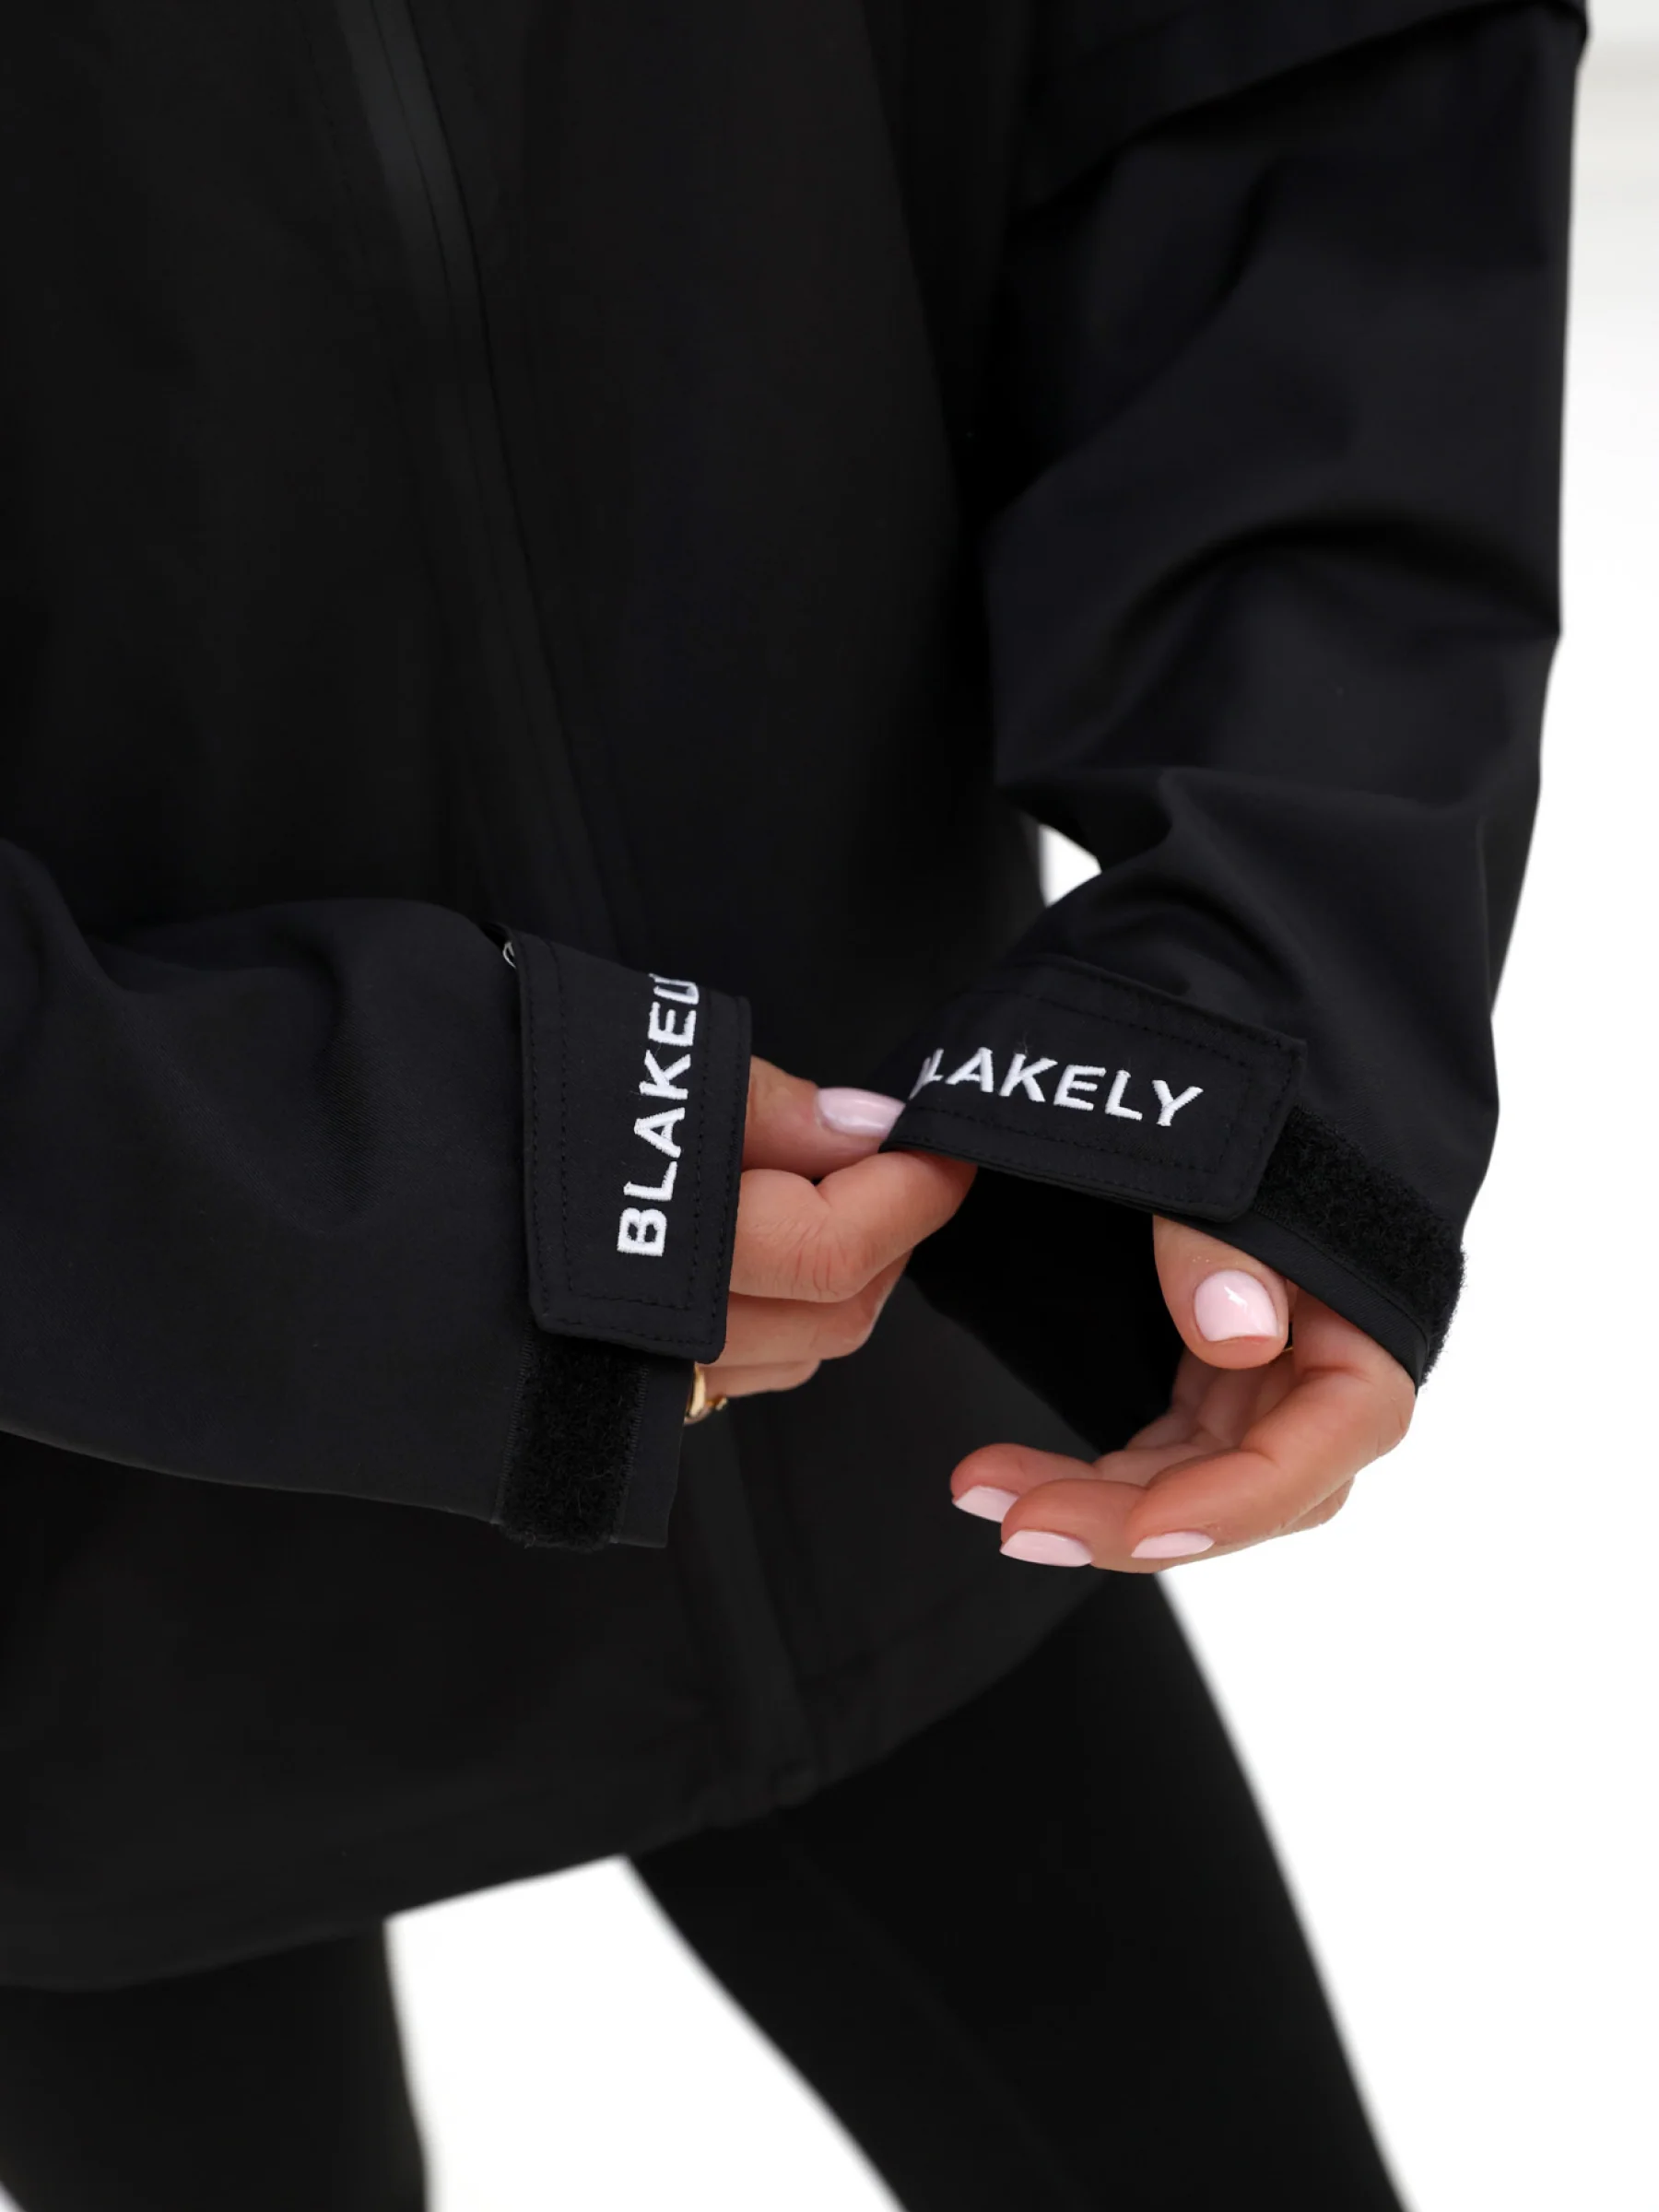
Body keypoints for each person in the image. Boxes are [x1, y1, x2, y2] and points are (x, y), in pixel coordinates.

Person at [0, 0, 1582, 2204]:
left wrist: (1260, 986)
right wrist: (332, 1194)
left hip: (876, 1291)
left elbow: (1287, 95)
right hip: (72, 1489)